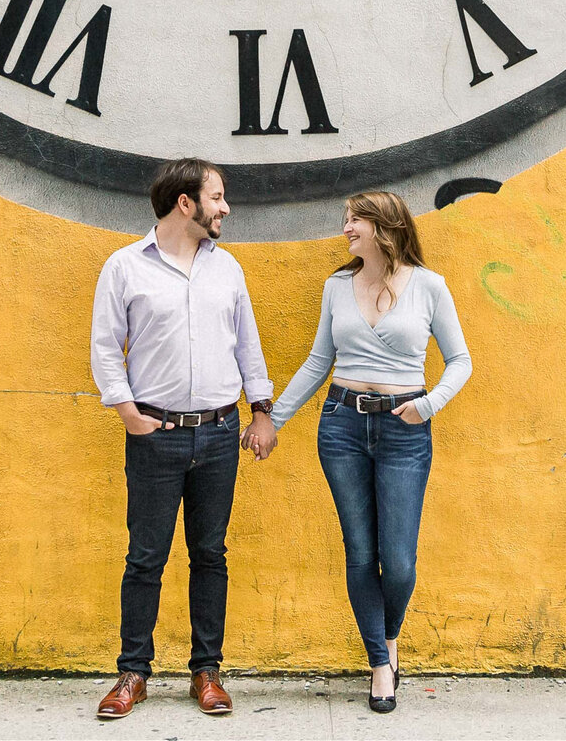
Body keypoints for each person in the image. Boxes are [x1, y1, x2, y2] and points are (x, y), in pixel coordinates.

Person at [268, 191, 472, 713]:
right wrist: (274, 419)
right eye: (345, 220)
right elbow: (318, 363)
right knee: (360, 553)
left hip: (405, 429)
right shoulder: (338, 286)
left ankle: (390, 635)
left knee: (399, 562)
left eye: (354, 220)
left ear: (385, 226)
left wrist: (428, 406)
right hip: (342, 427)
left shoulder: (429, 287)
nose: (345, 229)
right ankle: (381, 664)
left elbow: (460, 361)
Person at [89, 158, 278, 720]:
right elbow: (106, 346)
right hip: (155, 433)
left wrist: (261, 410)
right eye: (217, 197)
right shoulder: (125, 267)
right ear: (185, 203)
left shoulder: (228, 269)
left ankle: (207, 672)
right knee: (145, 557)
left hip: (220, 434)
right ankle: (132, 672)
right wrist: (125, 410)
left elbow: (249, 345)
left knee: (210, 554)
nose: (226, 207)